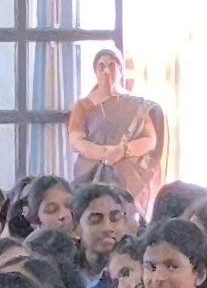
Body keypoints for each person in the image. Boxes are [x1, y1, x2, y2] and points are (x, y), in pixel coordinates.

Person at [67, 49, 163, 202]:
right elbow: (76, 141)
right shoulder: (83, 106)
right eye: (101, 66)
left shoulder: (137, 105)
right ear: (95, 71)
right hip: (91, 175)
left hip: (129, 178)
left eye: (111, 65)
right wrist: (105, 152)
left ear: (120, 70)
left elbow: (150, 139)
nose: (106, 70)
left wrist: (123, 150)